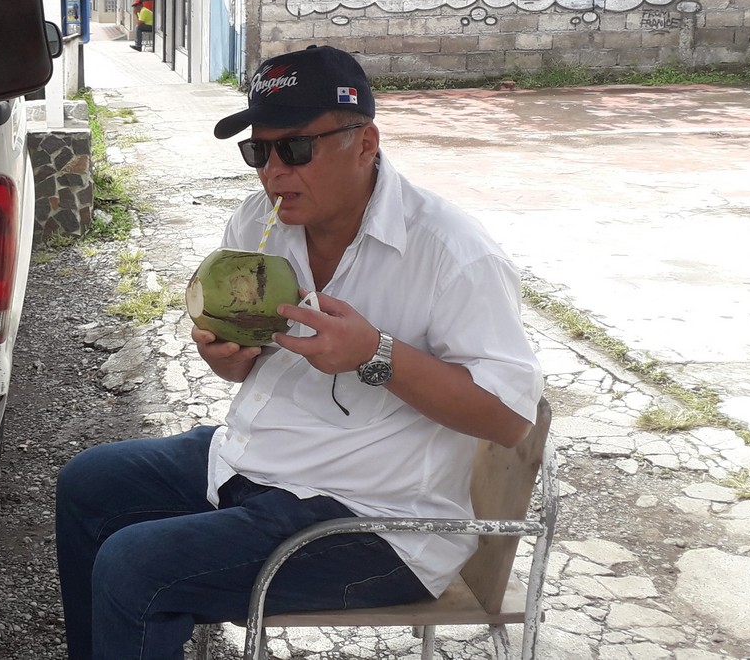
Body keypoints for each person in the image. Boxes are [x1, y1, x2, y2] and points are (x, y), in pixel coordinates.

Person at [55, 44, 543, 660]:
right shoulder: (259, 225)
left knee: (136, 566)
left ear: (365, 144)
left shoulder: (452, 252)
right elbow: (245, 364)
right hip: (258, 465)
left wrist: (375, 354)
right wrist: (227, 359)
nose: (273, 173)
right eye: (259, 152)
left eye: (296, 149)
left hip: (373, 523)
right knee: (88, 484)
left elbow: (509, 418)